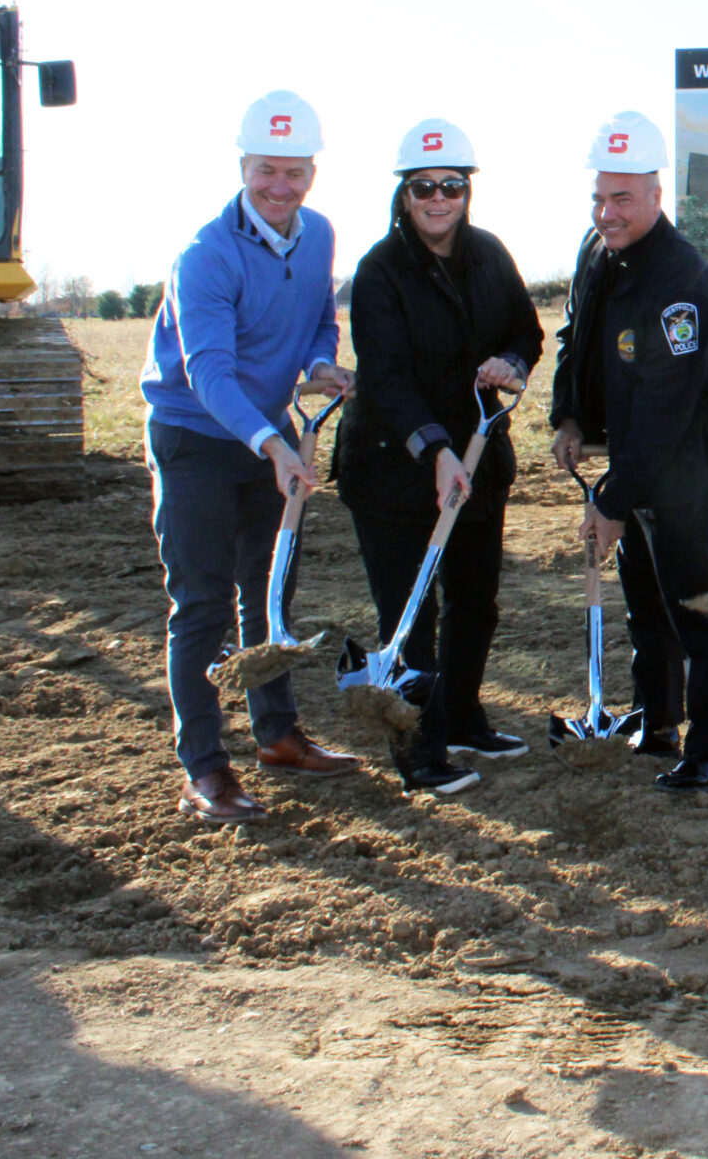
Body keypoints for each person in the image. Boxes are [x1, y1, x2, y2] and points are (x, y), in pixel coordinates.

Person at [140, 91, 357, 823]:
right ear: (243, 167)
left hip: (265, 436)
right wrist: (271, 444)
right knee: (200, 606)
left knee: (268, 595)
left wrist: (323, 364)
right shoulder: (205, 256)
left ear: (313, 174)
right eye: (267, 171)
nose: (281, 188)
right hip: (196, 438)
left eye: (296, 173)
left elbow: (320, 322)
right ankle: (205, 768)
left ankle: (278, 736)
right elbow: (208, 374)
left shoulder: (319, 234)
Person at [333, 118, 544, 797]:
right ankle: (420, 752)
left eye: (451, 185)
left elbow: (526, 331)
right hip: (395, 469)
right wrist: (435, 448)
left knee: (476, 603)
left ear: (467, 191)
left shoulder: (489, 255)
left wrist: (510, 362)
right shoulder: (378, 272)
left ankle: (463, 718)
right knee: (410, 615)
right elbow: (387, 378)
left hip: (479, 460)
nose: (438, 198)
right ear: (404, 193)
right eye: (424, 186)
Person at [546, 112, 708, 791]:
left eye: (622, 198)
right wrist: (569, 416)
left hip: (686, 458)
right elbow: (576, 334)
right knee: (644, 597)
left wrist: (611, 497)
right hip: (634, 449)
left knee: (695, 603)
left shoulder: (680, 279)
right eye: (599, 197)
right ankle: (657, 721)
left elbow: (668, 405)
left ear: (656, 196)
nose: (607, 212)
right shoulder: (596, 251)